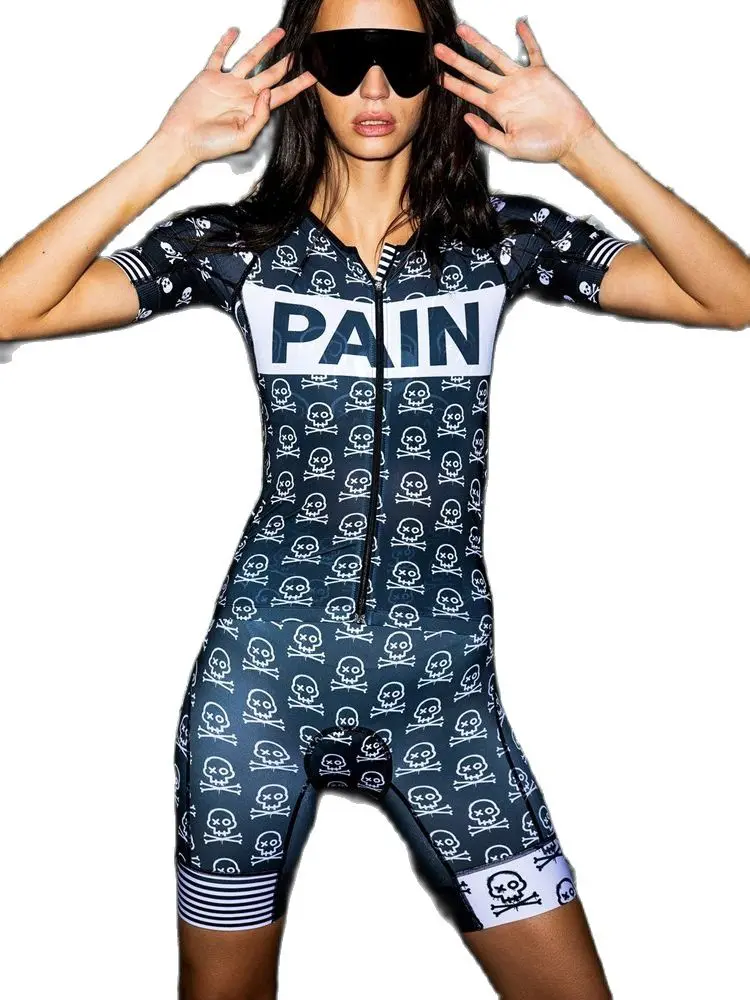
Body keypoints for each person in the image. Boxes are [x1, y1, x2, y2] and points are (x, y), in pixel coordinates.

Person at [1, 2, 748, 998]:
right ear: (302, 69)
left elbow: (731, 295)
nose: (375, 87)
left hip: (447, 697)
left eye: (400, 58)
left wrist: (586, 148)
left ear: (441, 69)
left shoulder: (502, 240)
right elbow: (9, 306)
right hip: (257, 689)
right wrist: (169, 152)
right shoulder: (239, 245)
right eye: (344, 57)